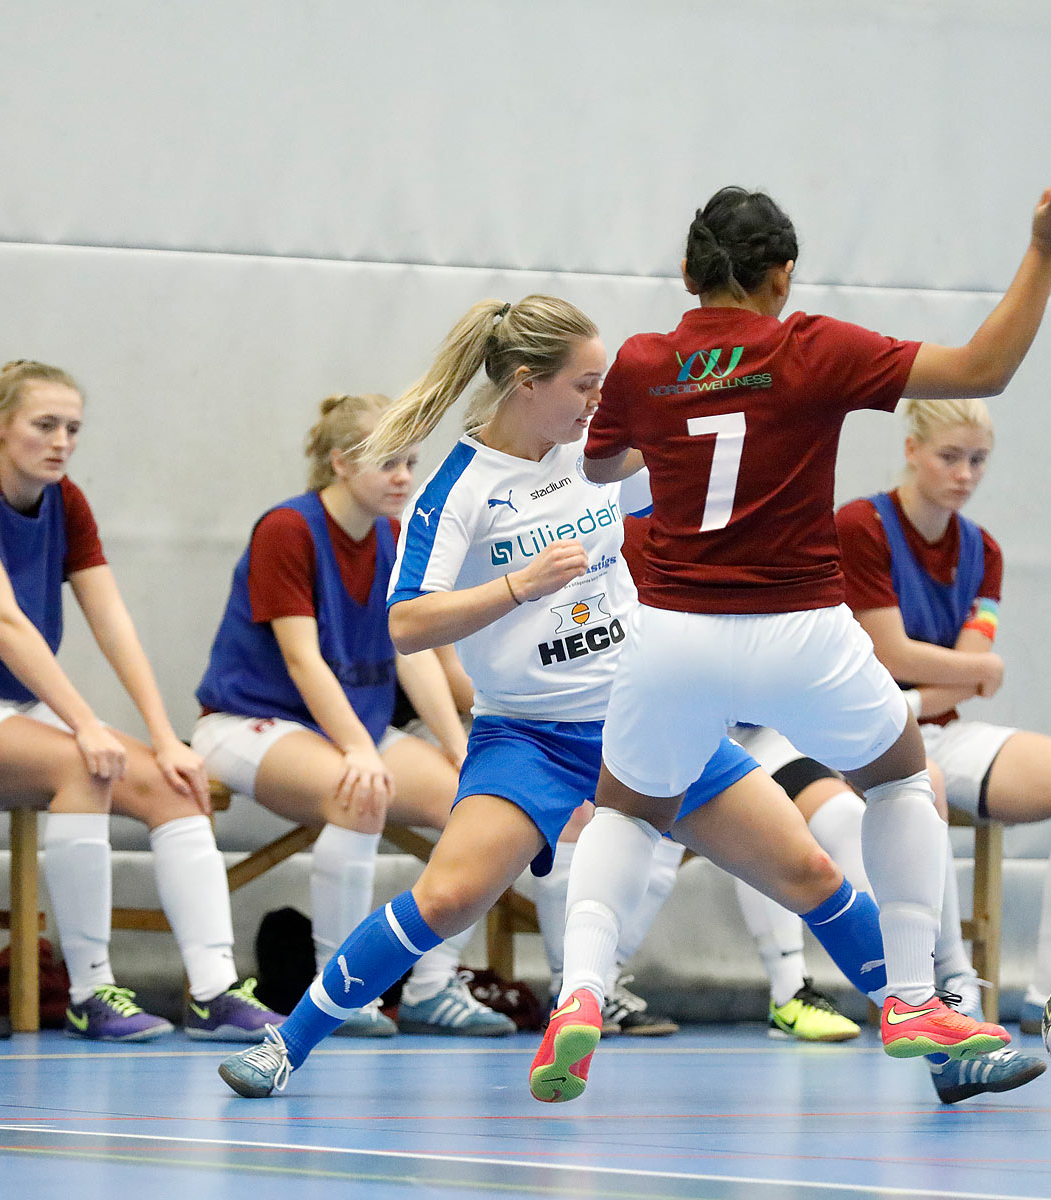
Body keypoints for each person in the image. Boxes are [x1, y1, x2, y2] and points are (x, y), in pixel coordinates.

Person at [218, 295, 889, 1100]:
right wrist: (516, 585)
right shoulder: (458, 488)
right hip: (528, 737)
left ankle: (936, 1029)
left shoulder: (603, 457)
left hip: (648, 720)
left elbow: (706, 484)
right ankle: (286, 1046)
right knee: (449, 895)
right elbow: (405, 624)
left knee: (810, 869)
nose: (598, 403)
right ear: (527, 385)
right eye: (585, 387)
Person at [565, 171, 1051, 1082]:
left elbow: (602, 469)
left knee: (628, 810)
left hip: (676, 632)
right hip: (800, 630)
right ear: (785, 277)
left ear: (688, 273)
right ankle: (916, 1000)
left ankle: (578, 990)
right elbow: (984, 370)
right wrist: (1046, 247)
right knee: (900, 779)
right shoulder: (813, 348)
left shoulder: (643, 363)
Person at [0, 360, 264, 1041]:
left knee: (174, 788)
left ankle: (214, 993)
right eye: (44, 425)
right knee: (84, 765)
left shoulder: (64, 501)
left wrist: (166, 738)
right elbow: (2, 622)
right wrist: (84, 725)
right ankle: (91, 991)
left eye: (72, 428)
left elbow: (112, 621)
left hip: (6, 708)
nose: (61, 441)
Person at [194, 393, 510, 1037]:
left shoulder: (393, 537)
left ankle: (431, 986)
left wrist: (458, 747)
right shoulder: (287, 529)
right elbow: (303, 659)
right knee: (358, 790)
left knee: (483, 808)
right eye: (388, 464)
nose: (403, 478)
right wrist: (358, 750)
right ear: (339, 463)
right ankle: (340, 995)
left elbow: (415, 657)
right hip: (249, 723)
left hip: (349, 730)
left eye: (411, 463)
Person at [836, 395, 1051, 1033]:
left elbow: (965, 680)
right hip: (857, 736)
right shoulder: (861, 526)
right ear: (911, 450)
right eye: (950, 457)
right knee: (924, 787)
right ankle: (949, 982)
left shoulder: (984, 551)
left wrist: (954, 676)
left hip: (937, 731)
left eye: (978, 460)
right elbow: (889, 654)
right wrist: (965, 671)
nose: (965, 474)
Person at [732, 727, 1048, 1103]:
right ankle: (789, 990)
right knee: (736, 836)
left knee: (833, 843)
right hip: (671, 731)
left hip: (755, 737)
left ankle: (938, 1030)